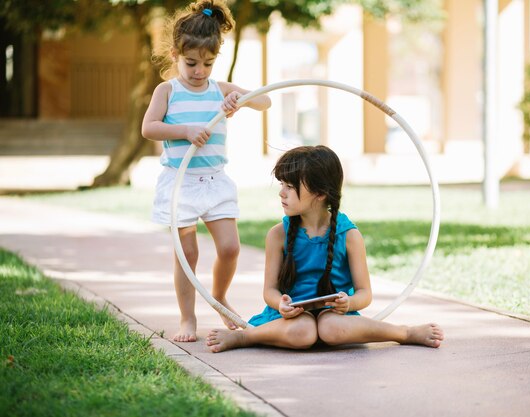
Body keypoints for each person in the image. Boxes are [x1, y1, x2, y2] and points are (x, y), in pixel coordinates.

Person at [206, 146, 444, 352]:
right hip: (288, 319)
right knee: (304, 330)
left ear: (319, 194)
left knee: (330, 327)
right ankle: (244, 336)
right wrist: (281, 303)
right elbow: (269, 291)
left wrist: (348, 303)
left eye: (290, 186)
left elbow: (364, 293)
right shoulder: (278, 234)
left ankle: (403, 333)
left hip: (336, 317)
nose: (281, 192)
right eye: (282, 184)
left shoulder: (349, 235)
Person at [141, 0, 271, 342]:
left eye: (208, 63)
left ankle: (220, 297)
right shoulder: (167, 90)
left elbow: (265, 101)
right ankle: (187, 319)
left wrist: (238, 101)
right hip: (180, 183)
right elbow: (149, 128)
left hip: (215, 182)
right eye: (191, 63)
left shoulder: (219, 89)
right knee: (188, 254)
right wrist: (184, 131)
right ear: (175, 55)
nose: (199, 71)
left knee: (230, 248)